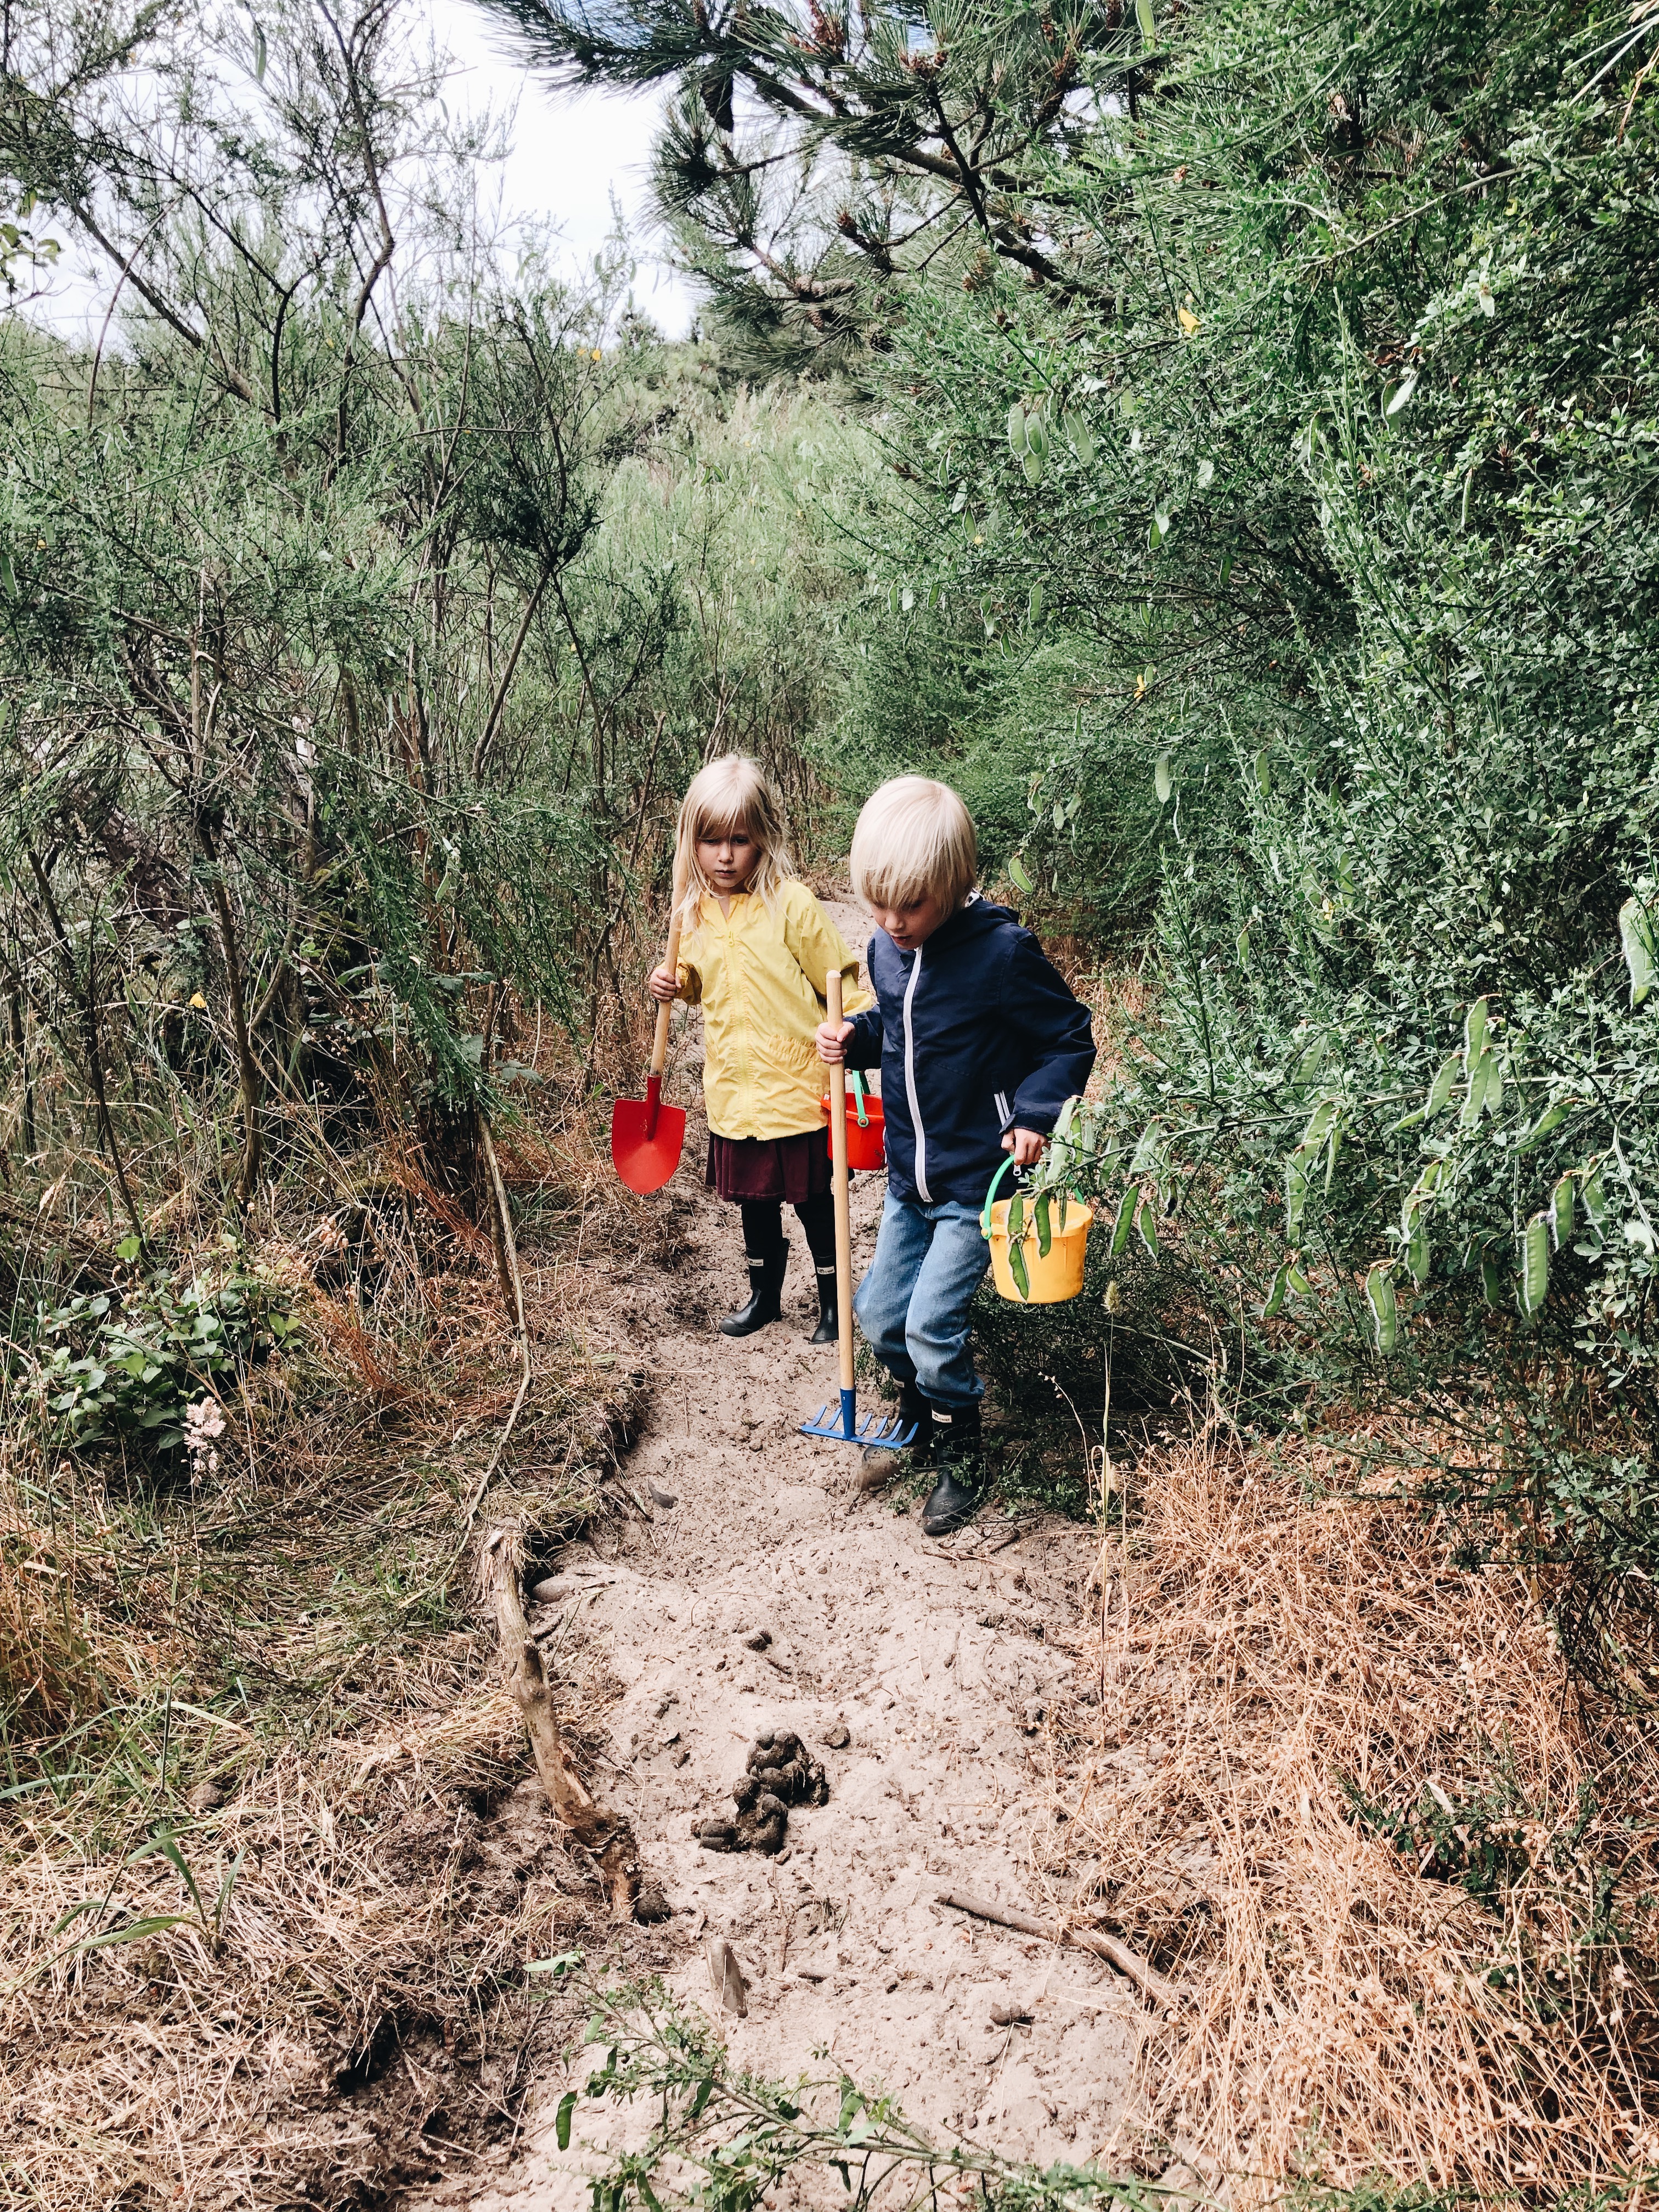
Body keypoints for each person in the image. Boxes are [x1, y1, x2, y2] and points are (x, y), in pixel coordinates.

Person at [816, 776, 1096, 1536]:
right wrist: (857, 1039)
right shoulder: (885, 950)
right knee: (879, 1319)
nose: (891, 921)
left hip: (978, 1184)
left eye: (911, 906)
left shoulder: (1001, 956)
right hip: (911, 1177)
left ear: (955, 884)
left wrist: (1036, 1115)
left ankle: (961, 1448)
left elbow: (1069, 1036)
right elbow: (900, 1029)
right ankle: (921, 1402)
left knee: (932, 1327)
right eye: (878, 904)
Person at [651, 755, 872, 1341]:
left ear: (763, 839)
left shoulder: (790, 903)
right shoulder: (692, 912)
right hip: (736, 1090)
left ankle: (832, 1303)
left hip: (797, 1090)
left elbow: (844, 983)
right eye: (712, 841)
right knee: (754, 1201)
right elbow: (697, 981)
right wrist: (678, 983)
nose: (725, 856)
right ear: (692, 843)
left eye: (740, 840)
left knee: (814, 1202)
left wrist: (850, 1032)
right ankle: (763, 1297)